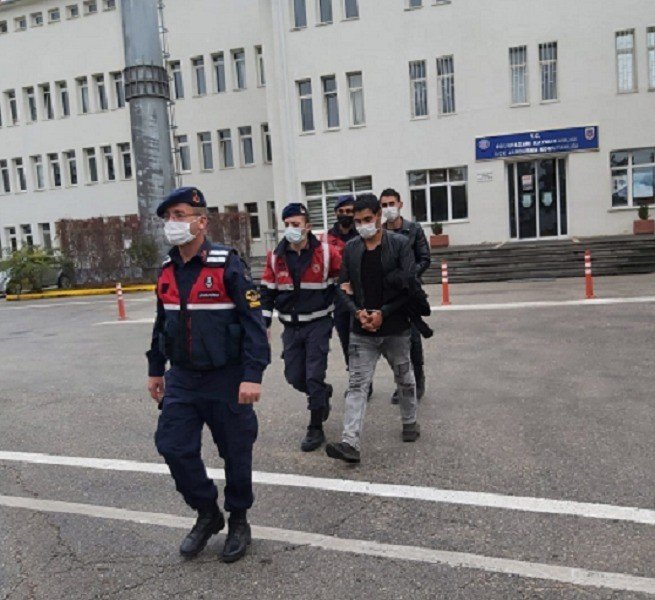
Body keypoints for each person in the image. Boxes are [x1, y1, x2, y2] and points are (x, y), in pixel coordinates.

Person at [147, 187, 270, 564]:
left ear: (202, 221)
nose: (174, 223)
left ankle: (238, 519)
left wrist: (252, 375)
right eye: (169, 217)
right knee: (172, 445)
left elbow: (255, 324)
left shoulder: (226, 264)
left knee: (235, 451)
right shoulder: (167, 271)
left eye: (181, 215)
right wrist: (156, 369)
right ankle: (207, 512)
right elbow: (161, 323)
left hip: (227, 377)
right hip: (183, 377)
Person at [325, 194, 420, 464]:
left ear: (379, 215)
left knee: (404, 377)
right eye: (358, 221)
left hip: (396, 328)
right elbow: (342, 287)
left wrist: (384, 312)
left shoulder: (400, 245)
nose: (363, 225)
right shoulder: (352, 248)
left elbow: (410, 287)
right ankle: (349, 442)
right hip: (362, 329)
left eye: (367, 219)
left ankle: (410, 421)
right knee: (357, 384)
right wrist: (357, 311)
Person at [260, 202, 342, 452]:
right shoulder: (275, 256)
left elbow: (346, 282)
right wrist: (264, 324)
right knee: (295, 377)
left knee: (314, 375)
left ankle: (315, 426)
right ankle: (322, 393)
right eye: (286, 225)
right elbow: (267, 293)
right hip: (291, 328)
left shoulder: (327, 254)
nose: (290, 229)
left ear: (307, 227)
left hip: (318, 323)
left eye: (295, 224)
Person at [380, 188, 431, 402]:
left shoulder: (414, 229)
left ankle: (417, 381)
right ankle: (402, 383)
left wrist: (408, 276)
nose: (388, 209)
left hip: (409, 292)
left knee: (412, 339)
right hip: (388, 294)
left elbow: (425, 258)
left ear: (400, 204)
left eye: (391, 203)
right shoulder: (379, 231)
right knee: (393, 341)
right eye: (384, 205)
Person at [322, 194, 358, 366]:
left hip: (361, 295)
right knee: (346, 339)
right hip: (339, 298)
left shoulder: (362, 235)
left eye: (349, 211)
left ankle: (362, 379)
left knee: (360, 341)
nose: (345, 214)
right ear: (336, 213)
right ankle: (355, 377)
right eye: (341, 211)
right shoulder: (326, 239)